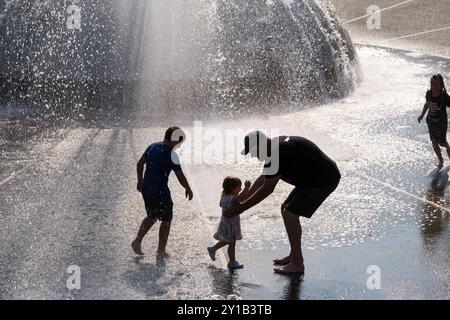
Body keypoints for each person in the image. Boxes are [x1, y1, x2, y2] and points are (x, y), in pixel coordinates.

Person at [223, 131, 341, 276]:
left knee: (290, 214)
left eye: (253, 151)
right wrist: (242, 199)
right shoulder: (275, 146)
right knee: (285, 208)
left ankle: (298, 264)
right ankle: (294, 255)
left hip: (323, 179)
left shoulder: (276, 152)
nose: (253, 155)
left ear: (261, 144)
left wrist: (239, 209)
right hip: (313, 178)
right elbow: (264, 178)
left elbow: (267, 189)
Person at [131, 126, 193, 258]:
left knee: (152, 216)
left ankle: (137, 241)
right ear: (174, 140)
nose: (179, 147)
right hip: (160, 191)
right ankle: (161, 251)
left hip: (147, 189)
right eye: (179, 143)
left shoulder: (152, 146)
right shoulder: (172, 154)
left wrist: (140, 180)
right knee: (166, 218)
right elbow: (180, 175)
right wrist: (187, 188)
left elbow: (139, 164)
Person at [207, 177, 252, 270]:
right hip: (230, 224)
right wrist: (247, 188)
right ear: (232, 189)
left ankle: (212, 249)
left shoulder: (224, 197)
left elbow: (222, 204)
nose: (240, 189)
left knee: (227, 241)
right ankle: (232, 262)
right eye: (239, 187)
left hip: (227, 223)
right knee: (231, 243)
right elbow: (240, 198)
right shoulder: (231, 198)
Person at [418, 74, 450, 168]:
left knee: (442, 143)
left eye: (436, 84)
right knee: (434, 143)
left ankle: (448, 148)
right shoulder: (428, 93)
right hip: (431, 122)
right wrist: (422, 115)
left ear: (441, 85)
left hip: (441, 123)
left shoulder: (443, 96)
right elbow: (427, 104)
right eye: (432, 84)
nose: (434, 86)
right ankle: (441, 161)